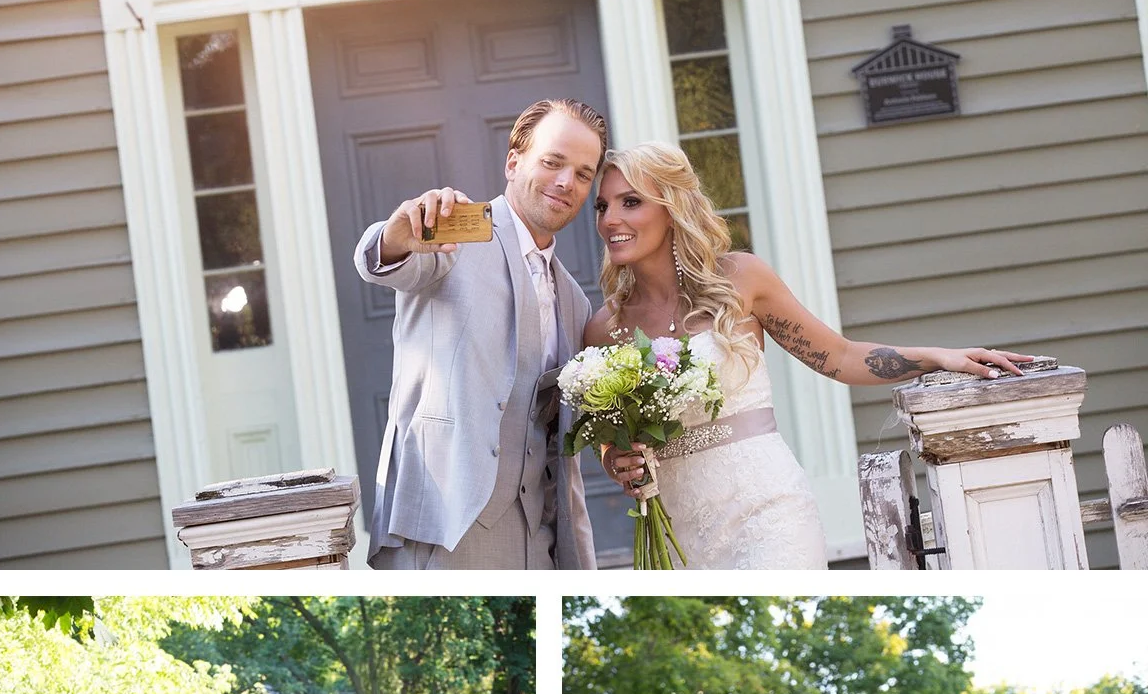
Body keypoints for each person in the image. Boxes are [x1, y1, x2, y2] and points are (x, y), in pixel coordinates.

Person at [588, 145, 1033, 568]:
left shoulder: (740, 278)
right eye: (602, 207)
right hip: (674, 531)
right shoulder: (604, 329)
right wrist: (616, 462)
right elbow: (608, 440)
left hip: (767, 512)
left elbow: (838, 357)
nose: (611, 219)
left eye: (630, 202)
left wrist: (938, 356)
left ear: (671, 207)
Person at [352, 97, 607, 569]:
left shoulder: (575, 301)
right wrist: (396, 235)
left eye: (583, 173)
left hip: (538, 539)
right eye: (552, 162)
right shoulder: (455, 232)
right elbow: (382, 259)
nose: (566, 182)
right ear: (514, 162)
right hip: (446, 523)